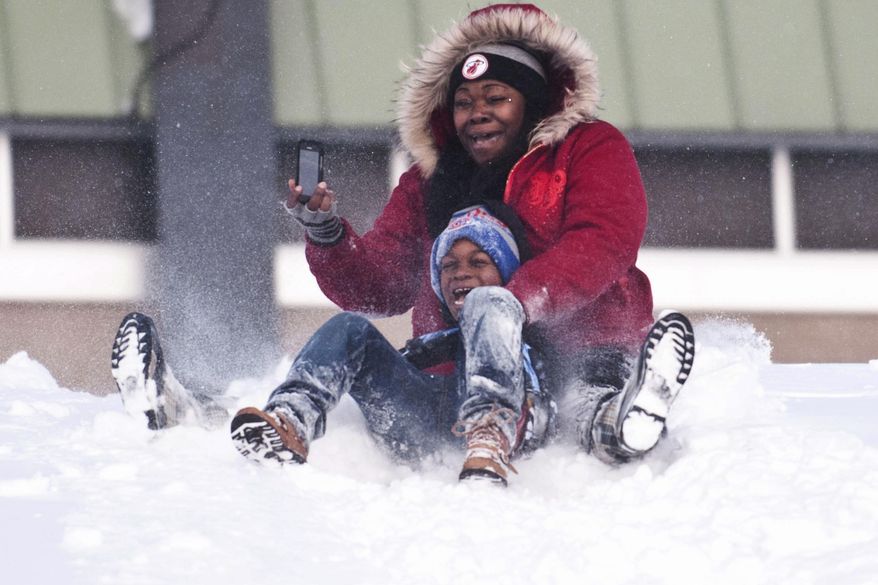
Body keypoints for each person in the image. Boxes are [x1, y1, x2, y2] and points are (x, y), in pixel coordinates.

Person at [276, 4, 694, 474]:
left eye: (495, 97)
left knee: (583, 398)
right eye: (463, 102)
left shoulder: (588, 148)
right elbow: (382, 285)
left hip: (585, 343)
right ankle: (288, 423)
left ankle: (619, 423)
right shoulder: (429, 180)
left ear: (532, 101)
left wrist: (510, 303)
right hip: (455, 371)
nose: (477, 113)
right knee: (375, 338)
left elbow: (604, 240)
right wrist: (326, 232)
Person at [112, 204, 555, 485]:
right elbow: (400, 359)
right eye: (450, 265)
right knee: (351, 328)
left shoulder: (512, 322)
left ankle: (488, 436)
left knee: (490, 305)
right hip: (425, 421)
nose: (461, 272)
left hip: (505, 426)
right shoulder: (441, 341)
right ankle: (289, 420)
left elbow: (545, 392)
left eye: (480, 262)